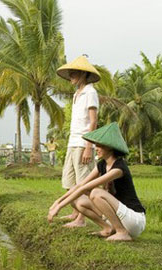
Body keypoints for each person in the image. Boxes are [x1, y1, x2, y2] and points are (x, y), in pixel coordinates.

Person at [48, 122, 145, 241]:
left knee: (95, 193)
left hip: (134, 219)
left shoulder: (119, 168)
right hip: (119, 215)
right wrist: (57, 202)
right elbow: (80, 185)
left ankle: (121, 232)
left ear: (109, 146)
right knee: (78, 202)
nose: (96, 148)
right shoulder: (102, 165)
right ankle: (107, 229)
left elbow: (85, 188)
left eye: (98, 145)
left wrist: (59, 207)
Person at [56, 55, 100, 227]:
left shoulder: (91, 92)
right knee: (69, 181)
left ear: (83, 74)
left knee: (83, 183)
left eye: (74, 73)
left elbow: (93, 121)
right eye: (70, 73)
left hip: (83, 143)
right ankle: (76, 213)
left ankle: (81, 219)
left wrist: (89, 146)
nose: (71, 76)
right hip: (72, 142)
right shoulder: (77, 94)